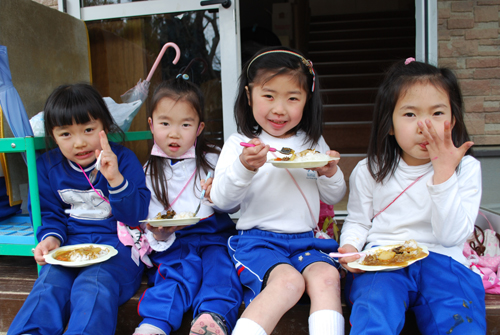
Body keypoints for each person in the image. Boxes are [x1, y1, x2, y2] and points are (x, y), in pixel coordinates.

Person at [338, 58, 487, 335]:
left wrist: (443, 173)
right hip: (383, 261)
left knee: (459, 319)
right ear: (390, 124)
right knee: (373, 314)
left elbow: (450, 236)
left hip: (444, 260)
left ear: (453, 120)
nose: (424, 125)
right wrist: (350, 247)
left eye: (438, 113)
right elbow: (359, 221)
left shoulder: (465, 168)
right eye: (410, 115)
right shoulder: (370, 169)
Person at [211, 46, 347, 335]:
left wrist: (330, 172)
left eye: (292, 98)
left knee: (326, 277)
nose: (279, 109)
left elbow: (334, 196)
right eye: (269, 95)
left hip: (306, 242)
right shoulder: (240, 145)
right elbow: (222, 202)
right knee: (289, 282)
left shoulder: (314, 142)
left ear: (307, 99)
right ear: (249, 96)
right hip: (258, 242)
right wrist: (244, 168)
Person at [8, 83, 150, 335]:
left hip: (118, 250)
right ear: (53, 136)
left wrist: (116, 179)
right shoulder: (47, 167)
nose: (79, 142)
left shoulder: (123, 161)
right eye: (66, 134)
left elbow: (134, 215)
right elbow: (48, 214)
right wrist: (51, 239)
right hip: (70, 249)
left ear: (105, 127)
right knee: (48, 286)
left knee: (93, 286)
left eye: (88, 129)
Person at [133, 76, 242, 335]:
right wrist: (159, 233)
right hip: (176, 240)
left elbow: (235, 204)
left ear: (199, 127)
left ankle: (212, 317)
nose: (174, 133)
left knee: (221, 269)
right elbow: (153, 223)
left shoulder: (216, 158)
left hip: (215, 235)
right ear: (151, 124)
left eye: (185, 124)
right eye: (165, 123)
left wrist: (218, 194)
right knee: (176, 275)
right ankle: (154, 325)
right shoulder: (147, 171)